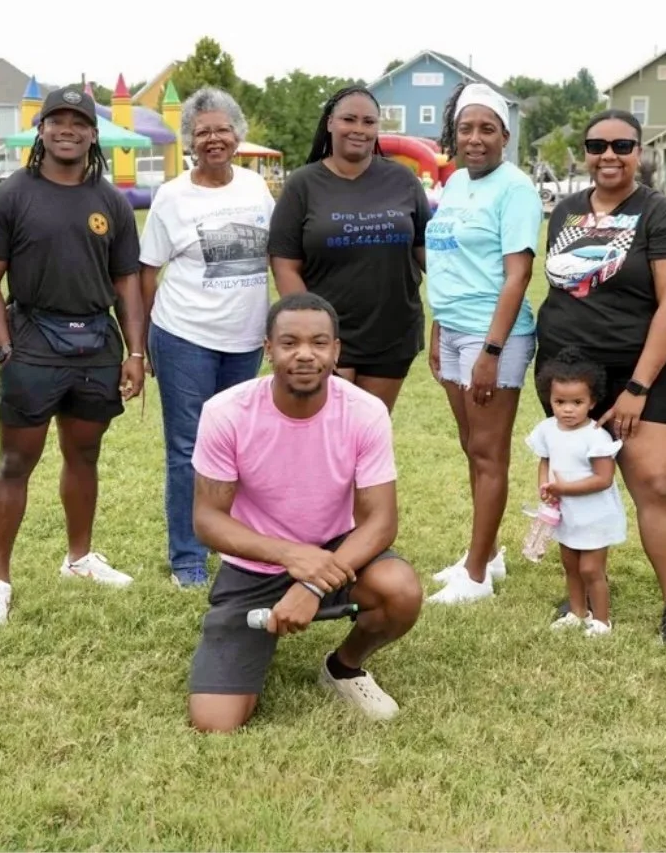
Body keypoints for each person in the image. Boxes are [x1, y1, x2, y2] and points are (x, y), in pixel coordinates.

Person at [187, 292, 422, 732]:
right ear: (268, 349)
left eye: (318, 343)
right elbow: (208, 519)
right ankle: (253, 636)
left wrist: (312, 583)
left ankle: (344, 667)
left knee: (400, 589)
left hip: (334, 556)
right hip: (254, 563)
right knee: (214, 723)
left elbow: (381, 521)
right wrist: (291, 557)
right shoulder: (226, 413)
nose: (304, 354)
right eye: (289, 342)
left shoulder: (365, 412)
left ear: (336, 351)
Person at [0, 86, 146, 626]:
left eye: (79, 122)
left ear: (93, 133)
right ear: (41, 129)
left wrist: (135, 350)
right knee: (16, 462)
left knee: (84, 455)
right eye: (57, 121)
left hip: (96, 345)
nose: (67, 129)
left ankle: (79, 558)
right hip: (33, 343)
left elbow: (127, 281)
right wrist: (3, 347)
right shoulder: (8, 196)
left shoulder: (110, 200)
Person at [535, 109, 666, 642]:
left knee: (654, 481)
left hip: (644, 367)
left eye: (622, 145)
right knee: (577, 479)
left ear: (640, 151)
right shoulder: (565, 212)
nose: (609, 154)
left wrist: (636, 388)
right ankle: (582, 589)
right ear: (585, 151)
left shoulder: (663, 214)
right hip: (571, 372)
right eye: (598, 145)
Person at [139, 87, 274, 588]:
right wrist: (142, 342)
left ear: (237, 135)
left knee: (238, 448)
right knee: (187, 448)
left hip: (245, 341)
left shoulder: (257, 189)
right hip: (183, 337)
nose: (213, 138)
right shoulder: (172, 197)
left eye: (221, 129)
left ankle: (237, 545)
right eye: (202, 132)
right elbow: (146, 272)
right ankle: (188, 560)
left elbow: (273, 258)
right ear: (189, 142)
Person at [426, 82, 541, 604]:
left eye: (486, 129)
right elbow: (448, 260)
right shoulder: (452, 186)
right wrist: (437, 328)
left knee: (490, 453)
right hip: (453, 329)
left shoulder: (515, 189)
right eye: (466, 128)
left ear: (505, 136)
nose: (475, 138)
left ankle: (475, 575)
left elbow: (517, 276)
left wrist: (491, 353)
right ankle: (487, 556)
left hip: (492, 335)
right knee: (471, 447)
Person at [269, 86, 430, 413]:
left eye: (369, 122)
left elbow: (427, 253)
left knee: (369, 432)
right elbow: (285, 265)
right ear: (330, 123)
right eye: (349, 119)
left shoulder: (403, 180)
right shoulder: (303, 185)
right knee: (322, 434)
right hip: (323, 337)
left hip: (392, 332)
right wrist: (311, 334)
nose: (359, 129)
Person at [527, 349, 626, 637]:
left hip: (594, 515)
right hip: (565, 512)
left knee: (591, 570)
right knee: (570, 564)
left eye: (577, 402)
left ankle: (602, 621)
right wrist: (545, 486)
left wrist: (563, 488)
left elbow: (604, 478)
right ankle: (577, 611)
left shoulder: (596, 435)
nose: (567, 409)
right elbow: (545, 461)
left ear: (592, 401)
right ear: (550, 399)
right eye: (560, 402)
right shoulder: (546, 430)